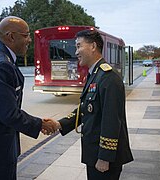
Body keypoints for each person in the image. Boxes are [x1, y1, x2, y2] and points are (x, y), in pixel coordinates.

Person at [0, 16, 57, 180]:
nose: (29, 40)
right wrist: (40, 124)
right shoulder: (1, 64)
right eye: (26, 35)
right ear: (10, 36)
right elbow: (9, 114)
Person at [53, 29, 134, 180]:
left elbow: (111, 121)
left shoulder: (109, 78)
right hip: (94, 153)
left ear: (93, 46)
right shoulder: (95, 74)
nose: (76, 52)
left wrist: (105, 157)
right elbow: (86, 108)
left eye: (78, 46)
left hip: (104, 157)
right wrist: (60, 124)